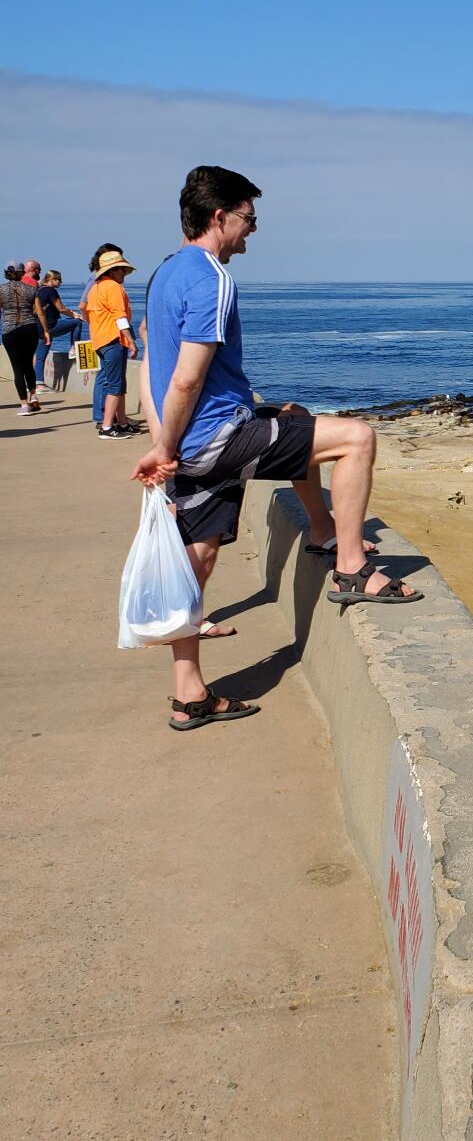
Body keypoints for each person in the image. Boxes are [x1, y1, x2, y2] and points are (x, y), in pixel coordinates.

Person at [133, 164, 422, 732]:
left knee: (203, 551)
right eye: (249, 219)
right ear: (221, 217)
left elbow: (151, 361)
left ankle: (188, 693)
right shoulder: (211, 279)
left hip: (192, 438)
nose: (253, 231)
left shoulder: (165, 273)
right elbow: (187, 379)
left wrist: (162, 444)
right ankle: (351, 567)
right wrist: (165, 448)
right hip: (215, 436)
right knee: (357, 438)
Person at [84, 249, 138, 439]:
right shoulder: (113, 287)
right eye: (122, 270)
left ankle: (122, 423)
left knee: (118, 383)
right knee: (115, 385)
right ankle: (107, 427)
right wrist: (131, 341)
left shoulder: (95, 288)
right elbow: (120, 317)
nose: (124, 273)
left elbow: (86, 311)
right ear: (113, 270)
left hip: (100, 340)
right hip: (113, 339)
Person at [79, 243, 128, 423]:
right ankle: (103, 416)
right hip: (108, 335)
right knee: (107, 378)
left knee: (106, 375)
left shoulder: (99, 280)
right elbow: (83, 305)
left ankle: (106, 415)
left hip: (101, 334)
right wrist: (97, 323)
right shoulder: (99, 280)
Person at [2, 264, 45, 414]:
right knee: (28, 364)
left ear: (6, 274)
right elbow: (39, 311)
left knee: (17, 368)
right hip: (29, 329)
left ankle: (24, 405)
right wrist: (46, 330)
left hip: (10, 331)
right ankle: (33, 396)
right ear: (22, 273)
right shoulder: (32, 289)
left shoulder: (1, 290)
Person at [34, 270, 80, 391]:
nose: (61, 282)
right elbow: (61, 308)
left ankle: (39, 384)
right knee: (77, 323)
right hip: (51, 326)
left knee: (40, 357)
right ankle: (73, 348)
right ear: (52, 279)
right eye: (59, 279)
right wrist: (74, 314)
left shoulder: (38, 291)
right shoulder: (51, 291)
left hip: (39, 328)